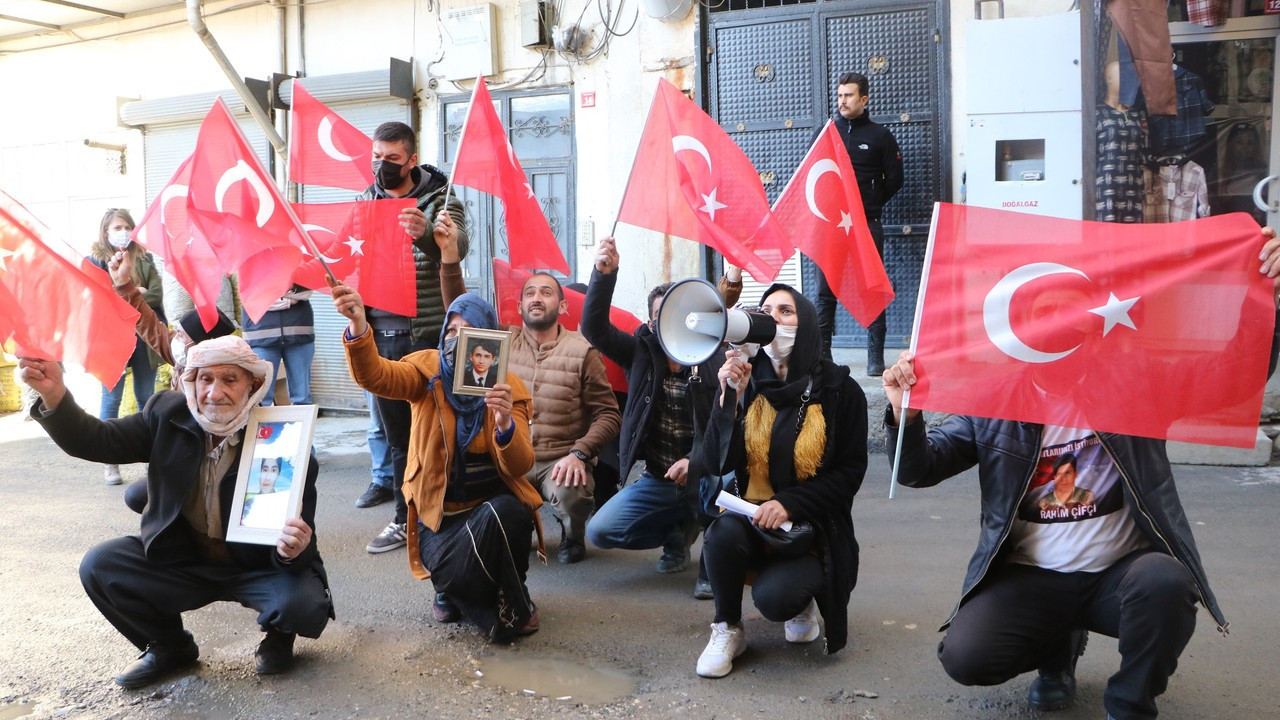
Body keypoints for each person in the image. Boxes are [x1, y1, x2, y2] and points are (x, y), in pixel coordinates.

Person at [880, 226, 1280, 720]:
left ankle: (1129, 704)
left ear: (1092, 325)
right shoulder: (995, 400)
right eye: (1044, 314)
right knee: (966, 657)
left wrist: (1266, 298)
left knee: (1167, 583)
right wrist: (907, 415)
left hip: (1121, 574)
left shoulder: (1135, 382)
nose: (1059, 325)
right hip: (1033, 577)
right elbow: (919, 469)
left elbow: (1231, 374)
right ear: (1020, 328)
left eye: (1072, 313)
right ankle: (1057, 652)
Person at [19, 336, 332, 688]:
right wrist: (55, 395)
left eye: (230, 379)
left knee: (300, 602)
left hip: (255, 565)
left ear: (253, 385)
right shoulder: (166, 414)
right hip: (186, 559)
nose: (214, 393)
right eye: (204, 379)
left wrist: (294, 550)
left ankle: (278, 637)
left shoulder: (283, 441)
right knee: (101, 565)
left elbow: (304, 544)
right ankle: (170, 646)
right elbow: (98, 440)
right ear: (190, 383)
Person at [334, 285, 543, 640]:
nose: (457, 339)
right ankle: (455, 588)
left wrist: (505, 423)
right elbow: (376, 376)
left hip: (491, 512)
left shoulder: (508, 388)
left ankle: (508, 589)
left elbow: (520, 466)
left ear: (489, 340)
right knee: (458, 575)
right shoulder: (426, 372)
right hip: (440, 520)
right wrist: (358, 326)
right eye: (451, 330)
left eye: (468, 331)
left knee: (506, 514)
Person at [693, 284, 866, 678]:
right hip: (751, 516)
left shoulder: (840, 391)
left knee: (775, 601)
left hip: (811, 530)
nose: (774, 319)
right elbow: (715, 462)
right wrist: (728, 401)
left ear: (805, 325)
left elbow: (850, 473)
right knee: (720, 534)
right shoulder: (750, 382)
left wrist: (790, 504)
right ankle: (727, 627)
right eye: (767, 310)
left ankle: (803, 598)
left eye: (786, 311)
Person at [581, 237, 725, 594]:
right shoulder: (640, 353)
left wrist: (696, 461)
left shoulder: (714, 357)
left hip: (708, 473)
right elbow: (594, 328)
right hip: (659, 479)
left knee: (725, 490)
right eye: (663, 315)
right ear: (651, 321)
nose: (671, 322)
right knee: (599, 531)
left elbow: (727, 426)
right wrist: (604, 275)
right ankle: (677, 533)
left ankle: (713, 565)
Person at [357, 121, 470, 553]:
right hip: (381, 335)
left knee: (439, 428)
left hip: (425, 334)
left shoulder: (441, 197)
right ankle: (405, 517)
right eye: (376, 157)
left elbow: (458, 247)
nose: (381, 166)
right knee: (397, 436)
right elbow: (353, 256)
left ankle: (450, 508)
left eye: (391, 159)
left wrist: (424, 232)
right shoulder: (366, 200)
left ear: (411, 157)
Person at [107, 249, 238, 515]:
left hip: (208, 469)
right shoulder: (182, 356)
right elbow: (147, 324)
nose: (174, 337)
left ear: (202, 347)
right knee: (137, 495)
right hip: (179, 459)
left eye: (181, 334)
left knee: (149, 496)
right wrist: (123, 284)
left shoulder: (221, 385)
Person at [506, 272, 621, 564]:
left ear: (563, 306)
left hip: (559, 460)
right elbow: (461, 317)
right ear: (520, 305)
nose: (536, 298)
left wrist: (580, 453)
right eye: (530, 293)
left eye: (546, 292)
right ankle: (516, 525)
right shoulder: (502, 344)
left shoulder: (582, 351)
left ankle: (573, 535)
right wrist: (450, 260)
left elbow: (608, 414)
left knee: (571, 490)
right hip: (512, 456)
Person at [816, 72, 903, 375]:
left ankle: (875, 359)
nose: (842, 101)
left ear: (864, 100)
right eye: (840, 95)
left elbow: (895, 180)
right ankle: (822, 355)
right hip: (832, 227)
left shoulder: (880, 136)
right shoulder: (826, 132)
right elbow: (812, 173)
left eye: (849, 95)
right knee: (825, 292)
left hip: (867, 224)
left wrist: (870, 205)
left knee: (872, 288)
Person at [90, 209, 164, 485]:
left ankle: (153, 459)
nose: (123, 231)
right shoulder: (95, 261)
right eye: (117, 227)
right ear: (106, 232)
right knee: (112, 400)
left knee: (147, 399)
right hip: (112, 341)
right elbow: (98, 299)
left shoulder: (144, 256)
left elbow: (156, 294)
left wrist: (125, 293)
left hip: (144, 339)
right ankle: (110, 463)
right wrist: (134, 293)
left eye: (127, 226)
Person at [242, 286, 315, 406]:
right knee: (261, 398)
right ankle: (262, 425)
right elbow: (251, 297)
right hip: (261, 338)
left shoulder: (298, 267)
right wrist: (288, 299)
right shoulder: (250, 269)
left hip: (299, 334)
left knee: (302, 398)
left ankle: (302, 424)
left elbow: (306, 292)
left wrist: (270, 295)